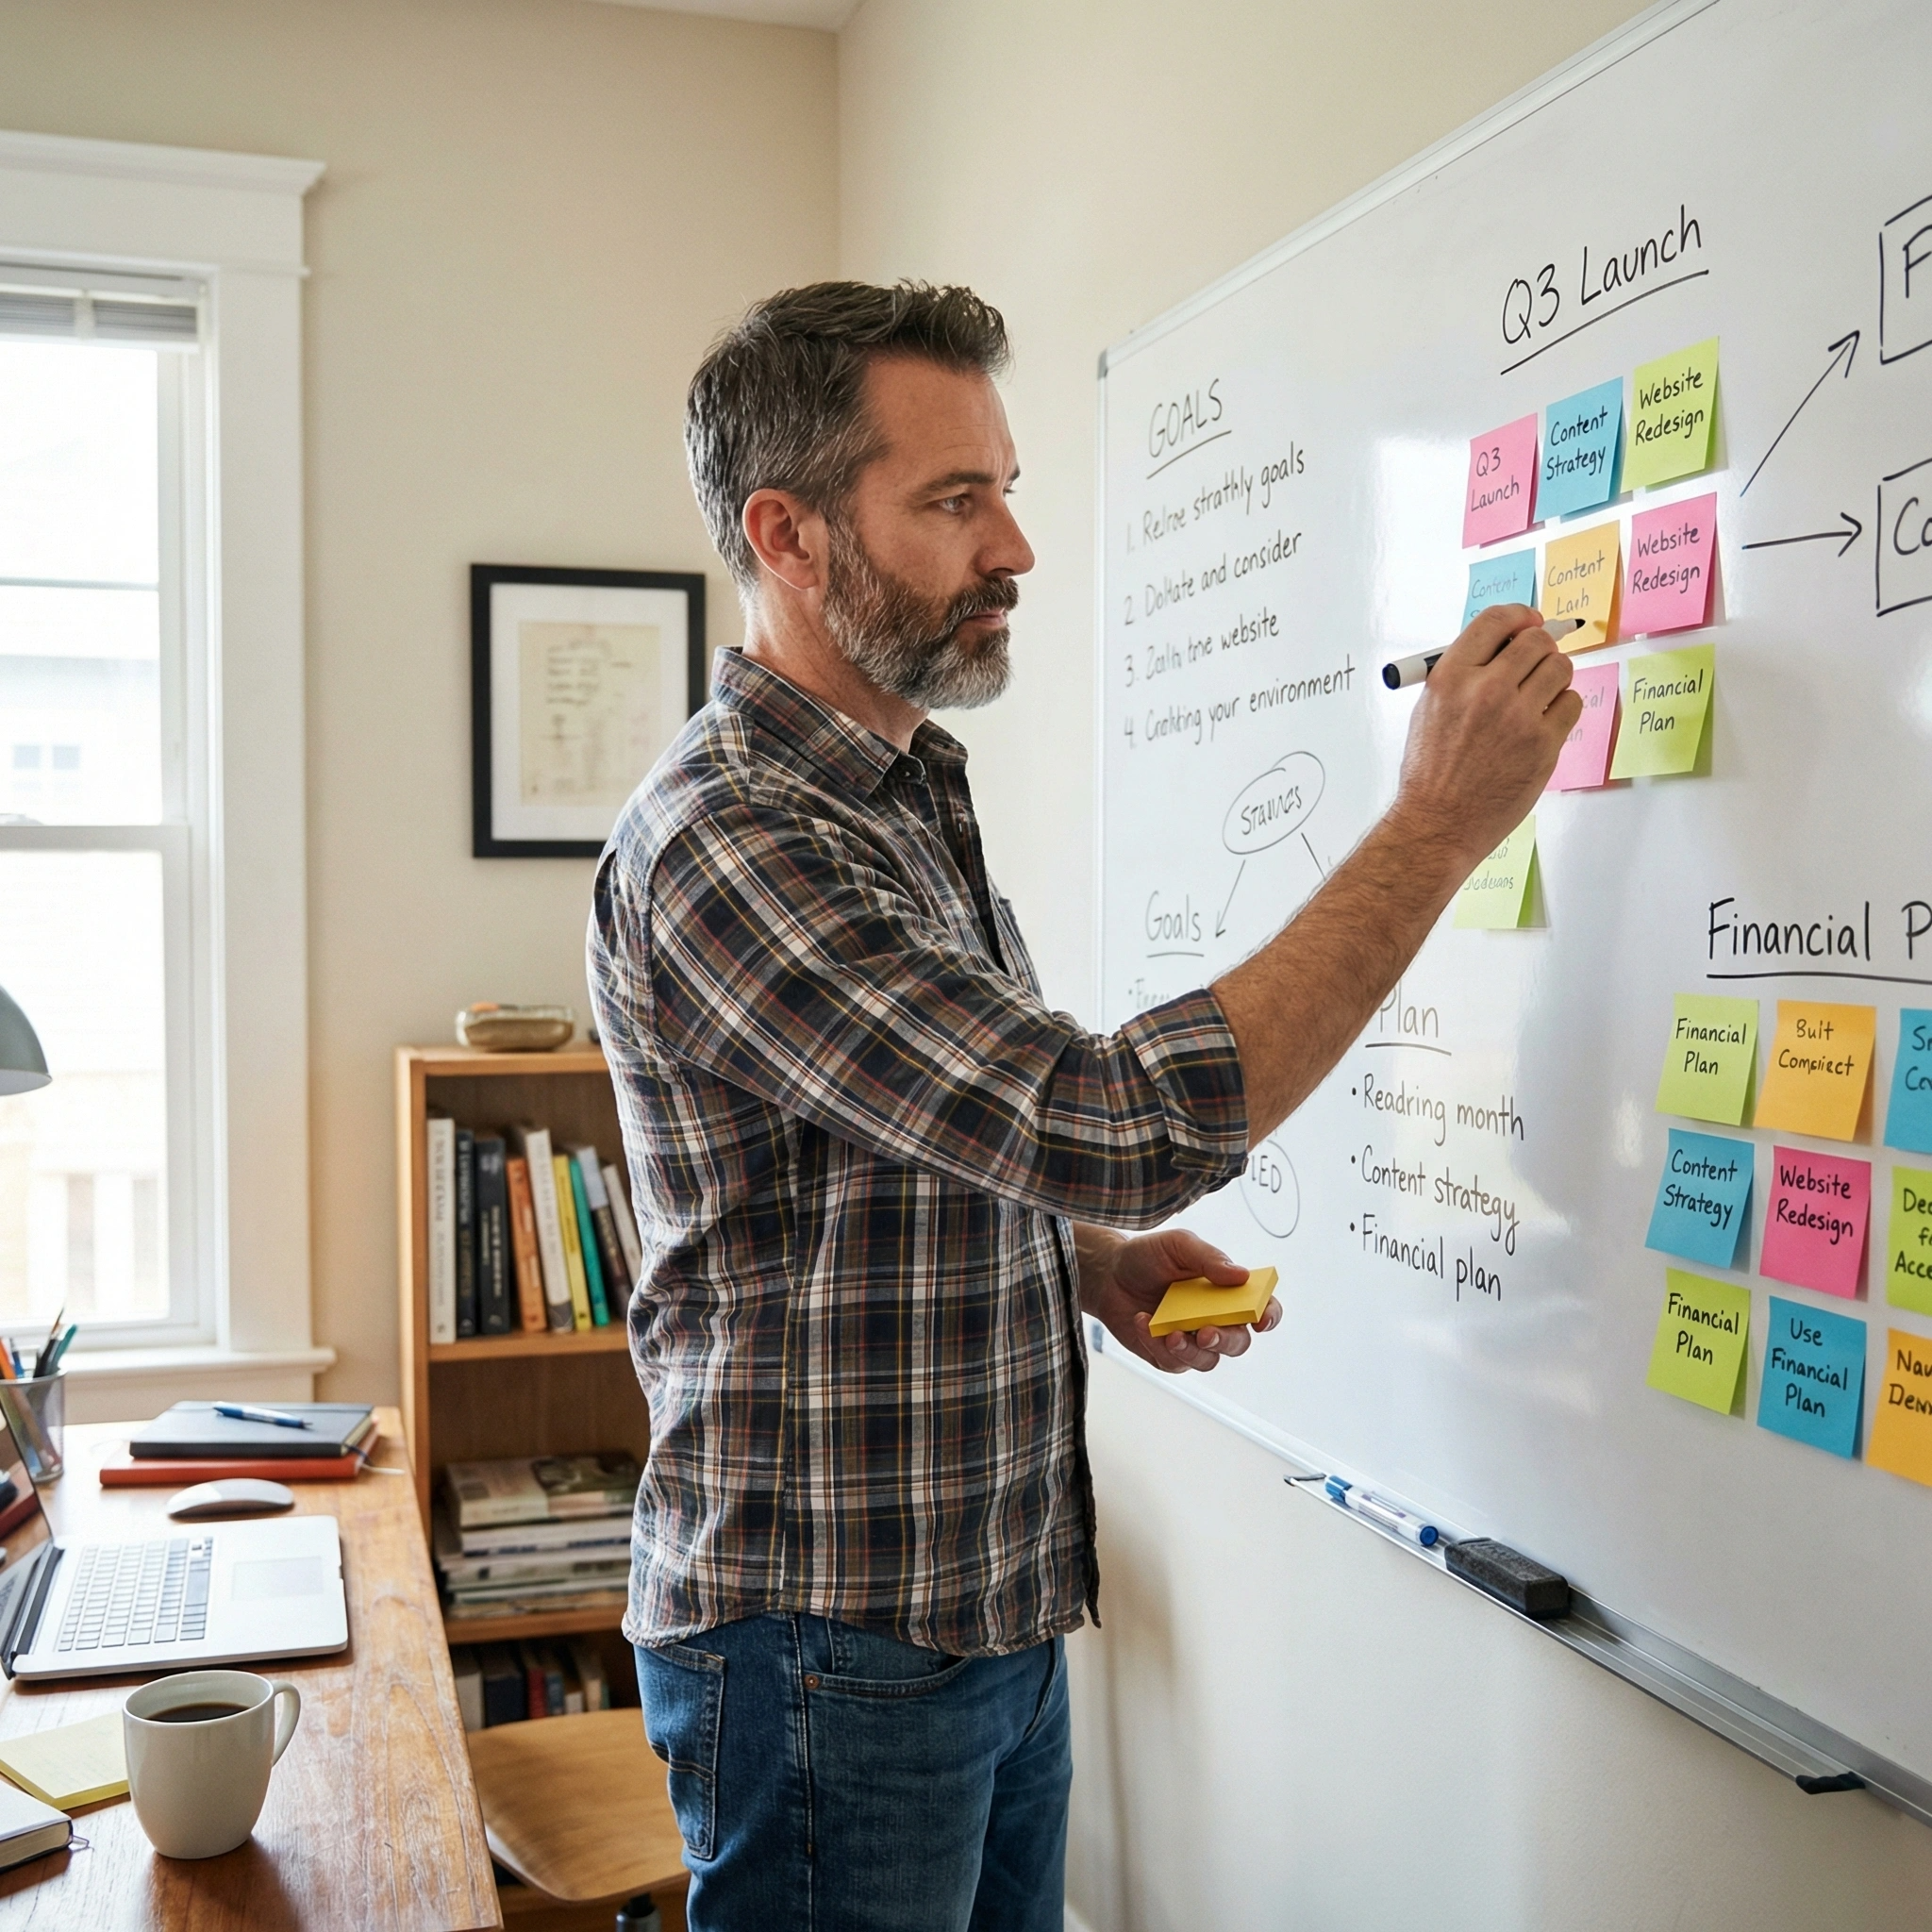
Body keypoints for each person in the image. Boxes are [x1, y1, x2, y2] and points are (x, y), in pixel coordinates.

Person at [588, 280, 1578, 1931]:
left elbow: (947, 1149)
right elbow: (1107, 1114)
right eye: (954, 501)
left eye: (1006, 490)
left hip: (986, 1600)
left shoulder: (904, 790)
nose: (1017, 549)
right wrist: (1433, 830)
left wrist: (1089, 1259)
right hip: (828, 1643)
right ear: (791, 535)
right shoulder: (732, 839)